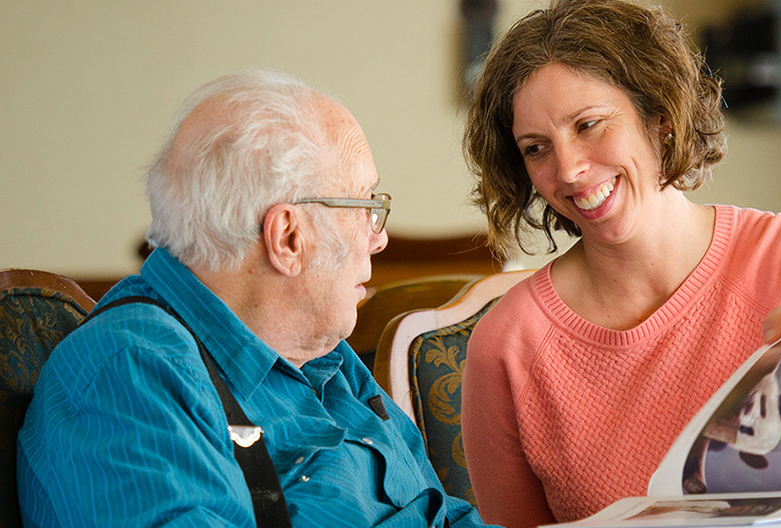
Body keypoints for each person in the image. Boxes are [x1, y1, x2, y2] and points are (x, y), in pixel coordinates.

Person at [459, 1, 781, 527]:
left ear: (659, 120)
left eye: (588, 125)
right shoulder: (506, 342)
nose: (568, 169)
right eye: (536, 148)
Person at [18, 69, 495, 528]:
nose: (379, 239)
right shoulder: (128, 374)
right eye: (367, 206)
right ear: (288, 237)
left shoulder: (325, 353)